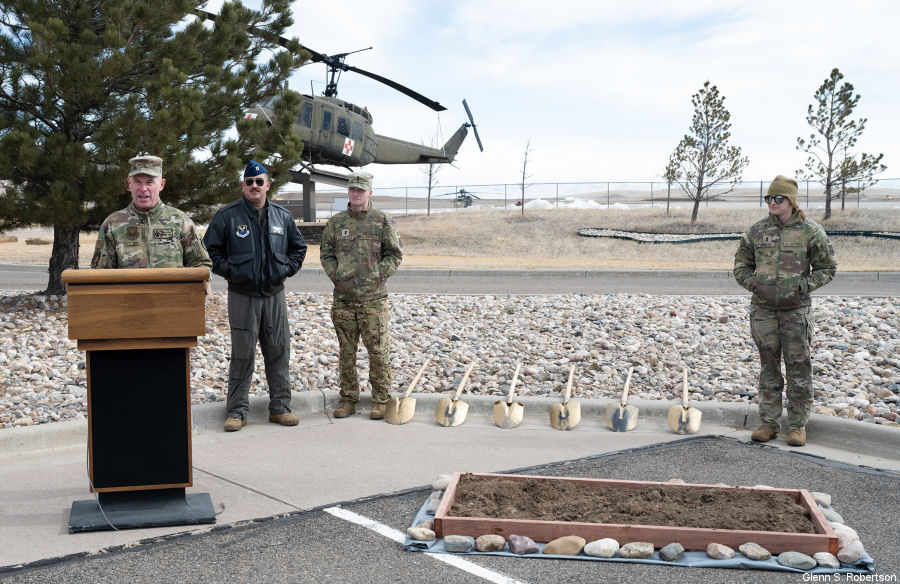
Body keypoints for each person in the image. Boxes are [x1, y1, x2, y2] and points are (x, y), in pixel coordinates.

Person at [203, 161, 307, 432]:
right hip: (242, 295)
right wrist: (233, 272)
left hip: (274, 295)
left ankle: (280, 408)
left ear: (267, 185)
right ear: (243, 185)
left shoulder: (283, 217)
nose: (254, 186)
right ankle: (237, 411)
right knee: (242, 354)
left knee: (278, 351)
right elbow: (210, 252)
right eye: (249, 182)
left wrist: (285, 269)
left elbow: (299, 248)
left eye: (259, 182)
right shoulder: (227, 216)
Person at [734, 175, 837, 447]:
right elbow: (741, 267)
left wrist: (804, 286)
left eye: (778, 198)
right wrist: (754, 284)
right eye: (769, 198)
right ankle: (768, 423)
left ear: (791, 201)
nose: (772, 203)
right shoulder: (756, 232)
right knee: (768, 368)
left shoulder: (810, 232)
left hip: (796, 313)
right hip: (763, 313)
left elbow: (827, 268)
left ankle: (797, 426)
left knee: (798, 368)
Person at [320, 171, 403, 420]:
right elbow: (326, 254)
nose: (355, 194)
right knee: (347, 351)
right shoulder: (336, 223)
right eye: (352, 189)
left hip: (373, 301)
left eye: (360, 190)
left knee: (377, 351)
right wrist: (337, 277)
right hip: (344, 301)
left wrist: (379, 275)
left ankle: (381, 399)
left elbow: (395, 253)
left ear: (370, 192)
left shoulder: (382, 221)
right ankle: (348, 399)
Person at [91, 155, 212, 269]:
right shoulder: (113, 223)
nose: (143, 189)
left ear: (161, 184)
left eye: (149, 182)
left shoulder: (180, 221)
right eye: (138, 182)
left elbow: (201, 266)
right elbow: (101, 273)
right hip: (128, 292)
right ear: (129, 183)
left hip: (172, 292)